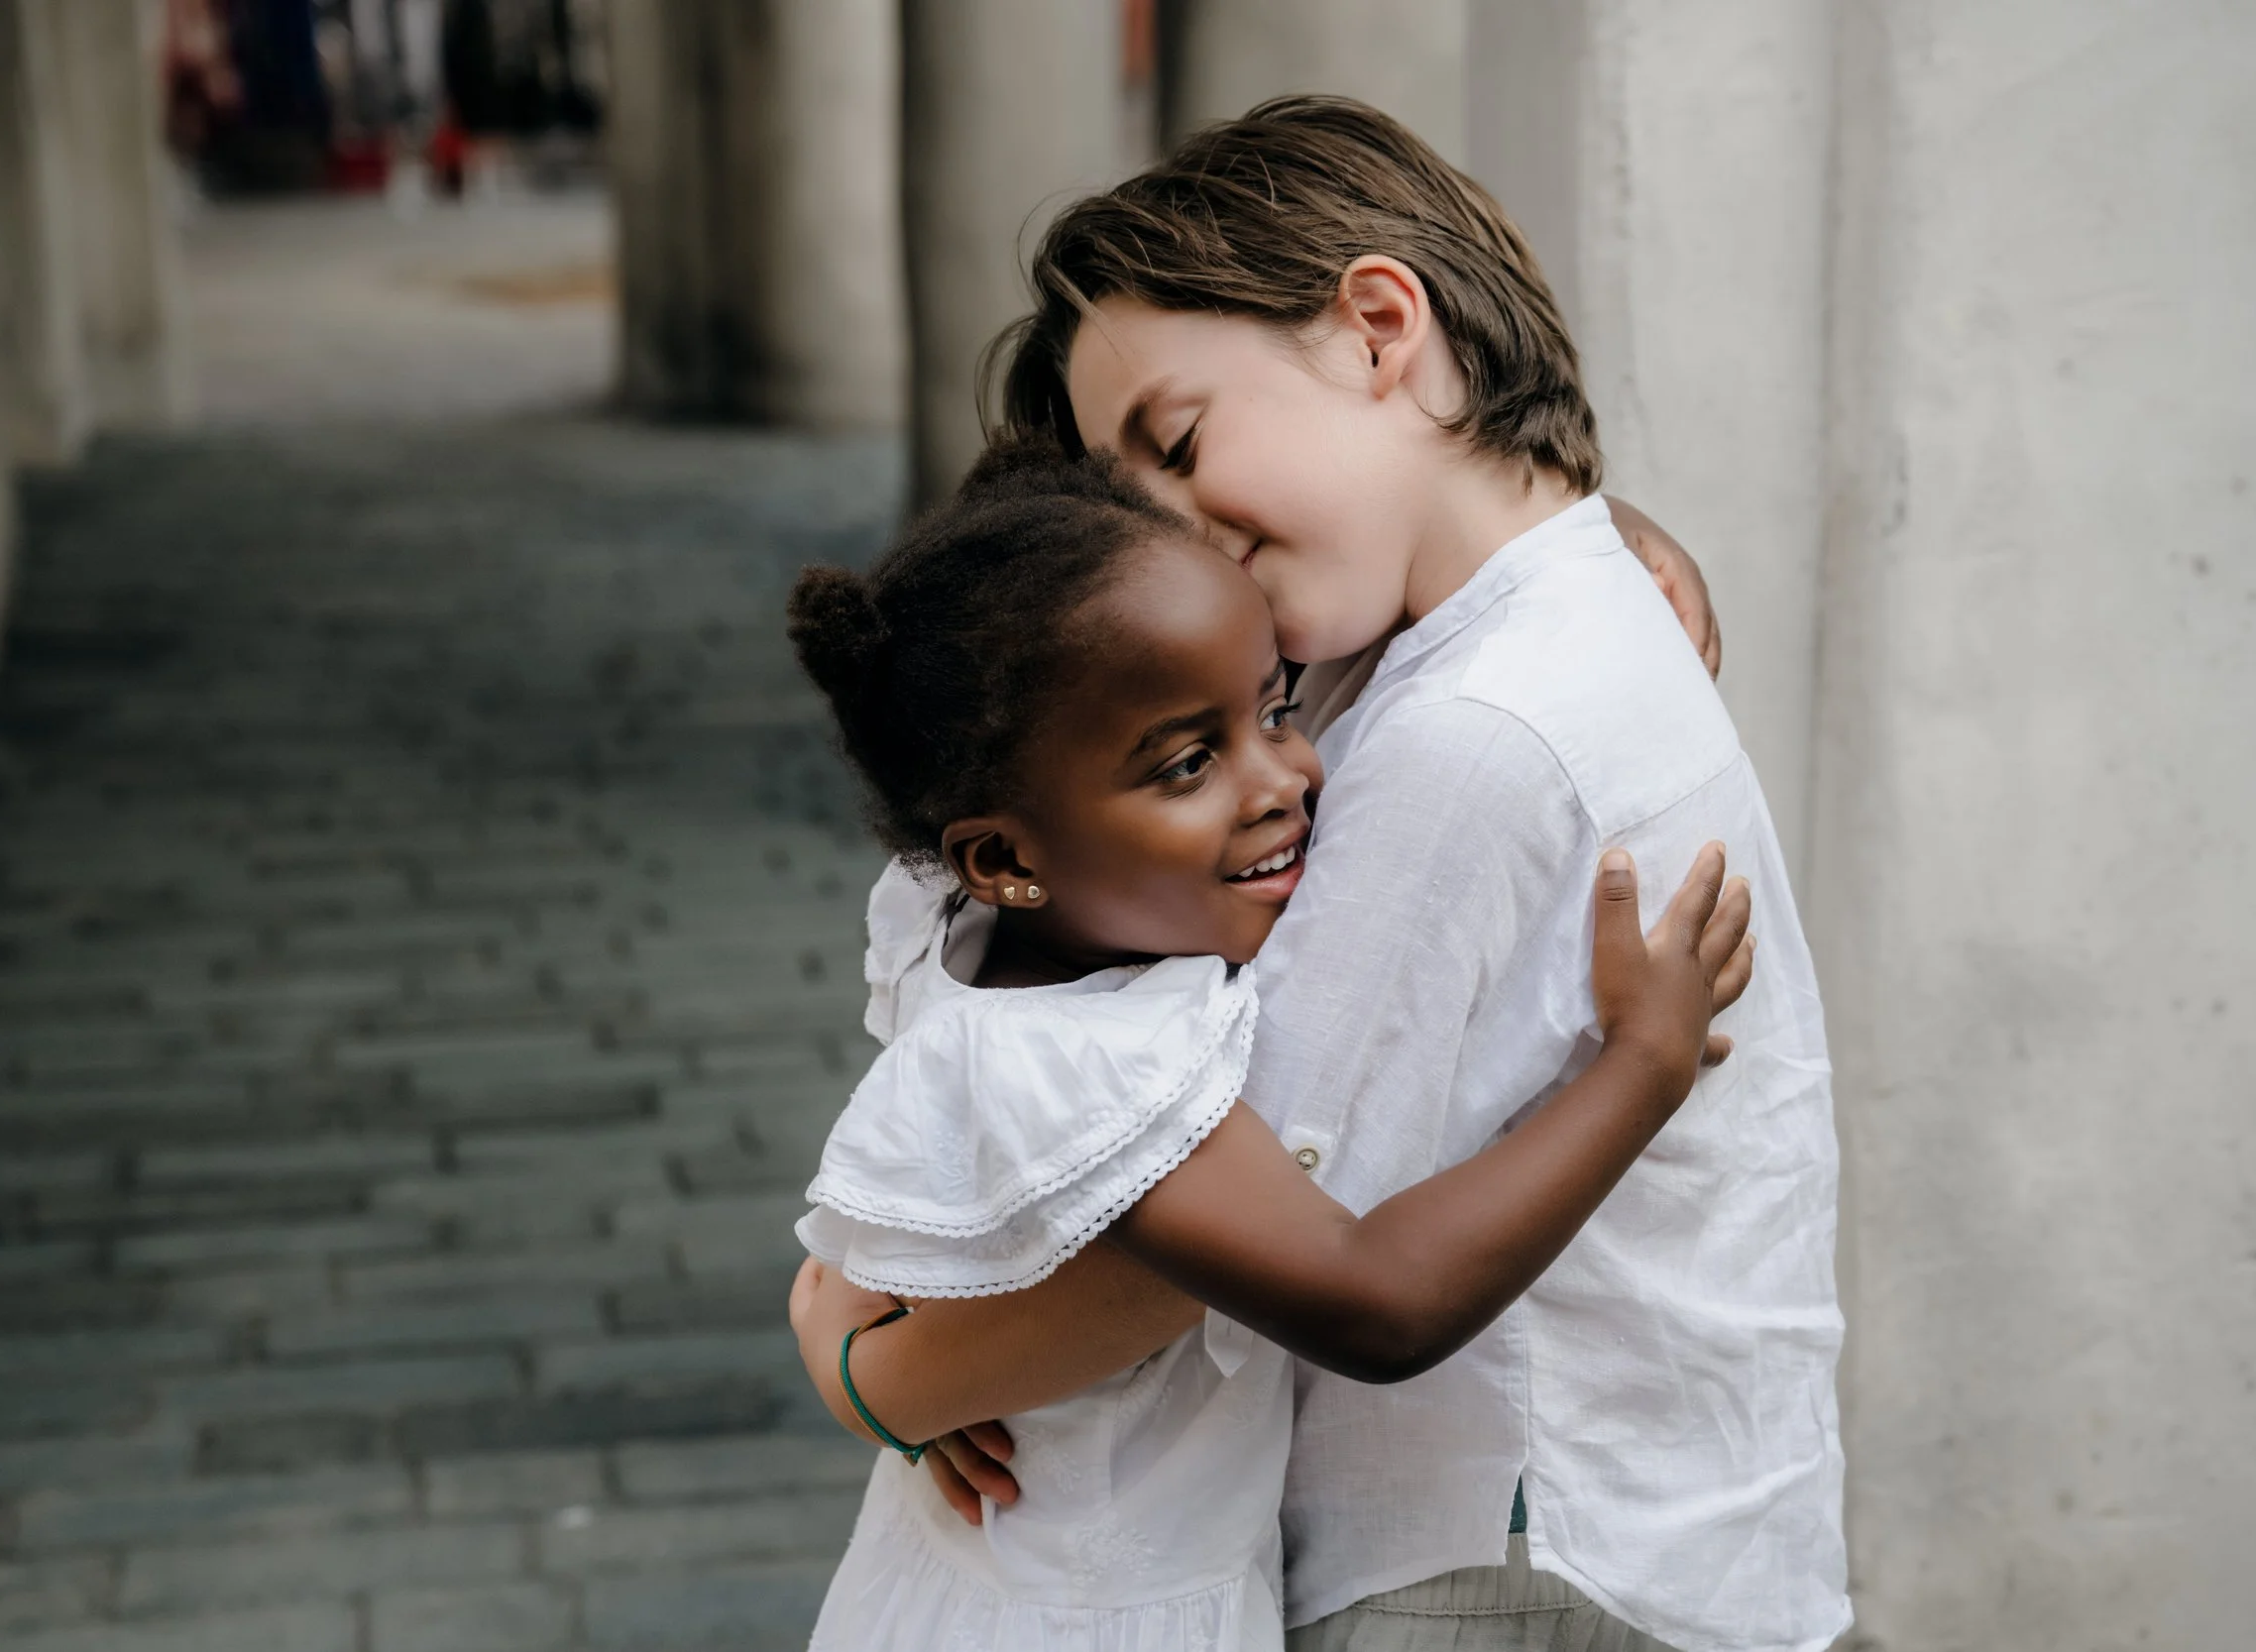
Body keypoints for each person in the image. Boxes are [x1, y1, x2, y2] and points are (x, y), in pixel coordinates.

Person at [797, 94, 1849, 1652]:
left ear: (1378, 329)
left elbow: (1222, 1231)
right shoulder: (1464, 628)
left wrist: (865, 1356)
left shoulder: (1472, 730)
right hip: (1603, 1519)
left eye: (1180, 442)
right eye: (1124, 496)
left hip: (1512, 1554)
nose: (1172, 537)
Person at [785, 441, 1752, 1651]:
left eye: (1276, 706)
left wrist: (1589, 532)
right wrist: (1638, 1068)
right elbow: (1375, 1301)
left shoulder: (970, 918)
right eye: (1187, 762)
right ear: (1004, 855)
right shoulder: (1082, 1065)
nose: (1284, 778)